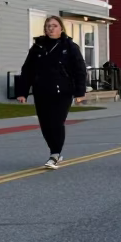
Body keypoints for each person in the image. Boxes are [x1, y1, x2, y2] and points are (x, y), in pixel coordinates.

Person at [16, 16, 87, 169]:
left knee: (56, 122)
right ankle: (54, 152)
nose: (51, 28)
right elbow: (27, 70)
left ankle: (54, 155)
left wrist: (80, 92)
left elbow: (80, 70)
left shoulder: (69, 47)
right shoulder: (38, 47)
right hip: (41, 91)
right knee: (45, 124)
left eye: (54, 26)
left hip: (63, 91)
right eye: (48, 26)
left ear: (61, 28)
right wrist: (22, 92)